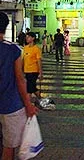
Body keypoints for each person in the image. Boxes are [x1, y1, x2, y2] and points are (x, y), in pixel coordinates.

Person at [0, 12, 38, 160]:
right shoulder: (12, 50)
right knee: (8, 148)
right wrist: (28, 105)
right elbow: (20, 80)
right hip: (11, 106)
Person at [23, 32, 43, 99]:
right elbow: (23, 60)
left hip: (33, 71)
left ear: (33, 38)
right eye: (26, 37)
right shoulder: (25, 48)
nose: (26, 38)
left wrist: (40, 73)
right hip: (27, 71)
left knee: (29, 88)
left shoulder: (36, 49)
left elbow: (39, 61)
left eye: (28, 37)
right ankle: (41, 100)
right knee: (32, 87)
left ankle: (27, 102)